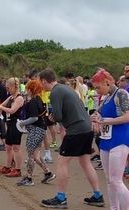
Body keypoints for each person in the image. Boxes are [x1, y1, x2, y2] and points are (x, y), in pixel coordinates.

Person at [39, 69, 104, 209]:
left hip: (76, 130)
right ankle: (98, 195)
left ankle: (61, 197)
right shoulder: (65, 88)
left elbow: (58, 115)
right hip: (86, 128)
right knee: (85, 162)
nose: (41, 86)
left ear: (44, 81)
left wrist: (52, 118)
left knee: (62, 162)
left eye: (41, 83)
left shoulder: (55, 92)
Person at [91, 69, 129, 210]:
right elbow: (97, 113)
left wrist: (105, 122)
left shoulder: (121, 94)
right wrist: (95, 119)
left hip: (120, 139)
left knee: (116, 181)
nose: (97, 91)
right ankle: (114, 208)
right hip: (106, 140)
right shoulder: (107, 97)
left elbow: (127, 117)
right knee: (109, 181)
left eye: (98, 87)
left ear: (107, 82)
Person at [16, 79, 56, 186]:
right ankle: (48, 172)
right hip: (40, 129)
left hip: (36, 129)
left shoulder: (33, 101)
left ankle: (29, 178)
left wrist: (22, 123)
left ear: (30, 89)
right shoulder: (38, 99)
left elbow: (33, 118)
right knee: (35, 155)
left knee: (30, 154)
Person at [0, 77, 24, 178]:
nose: (7, 90)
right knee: (8, 146)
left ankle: (18, 169)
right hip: (9, 123)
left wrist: (1, 108)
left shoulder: (19, 98)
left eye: (8, 88)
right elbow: (1, 104)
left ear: (13, 86)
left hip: (17, 123)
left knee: (16, 147)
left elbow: (12, 110)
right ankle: (7, 166)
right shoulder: (11, 97)